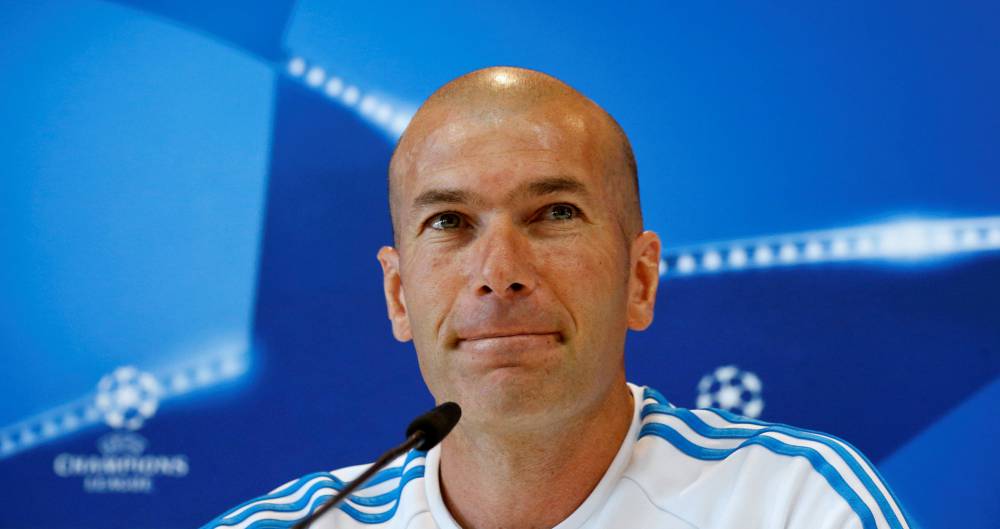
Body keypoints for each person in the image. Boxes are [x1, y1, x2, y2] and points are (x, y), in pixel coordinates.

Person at [203, 67, 911, 529]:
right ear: (398, 295)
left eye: (555, 213)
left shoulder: (794, 505)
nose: (499, 273)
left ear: (640, 280)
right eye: (449, 222)